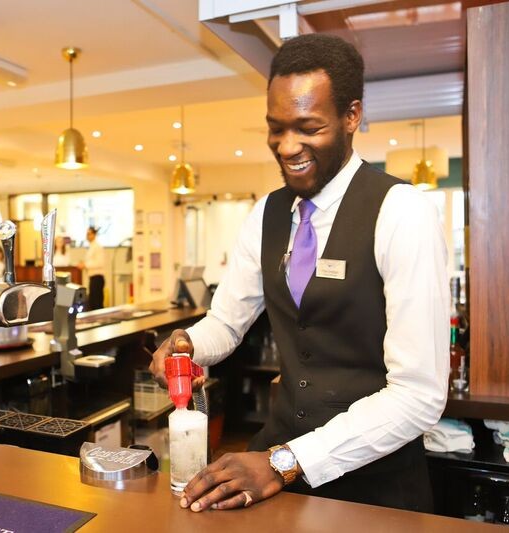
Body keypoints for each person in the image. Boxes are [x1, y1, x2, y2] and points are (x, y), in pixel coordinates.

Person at [149, 34, 448, 513]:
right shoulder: (267, 213)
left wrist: (284, 461)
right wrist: (189, 344)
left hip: (374, 484)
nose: (288, 146)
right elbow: (227, 322)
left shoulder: (403, 212)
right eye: (276, 128)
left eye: (308, 127)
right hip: (278, 461)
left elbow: (418, 396)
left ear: (352, 116)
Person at [78, 226, 106, 310]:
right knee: (92, 303)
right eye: (87, 234)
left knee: (97, 304)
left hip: (97, 278)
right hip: (92, 278)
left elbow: (100, 263)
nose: (87, 236)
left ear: (94, 234)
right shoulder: (91, 247)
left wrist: (85, 265)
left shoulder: (98, 247)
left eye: (89, 234)